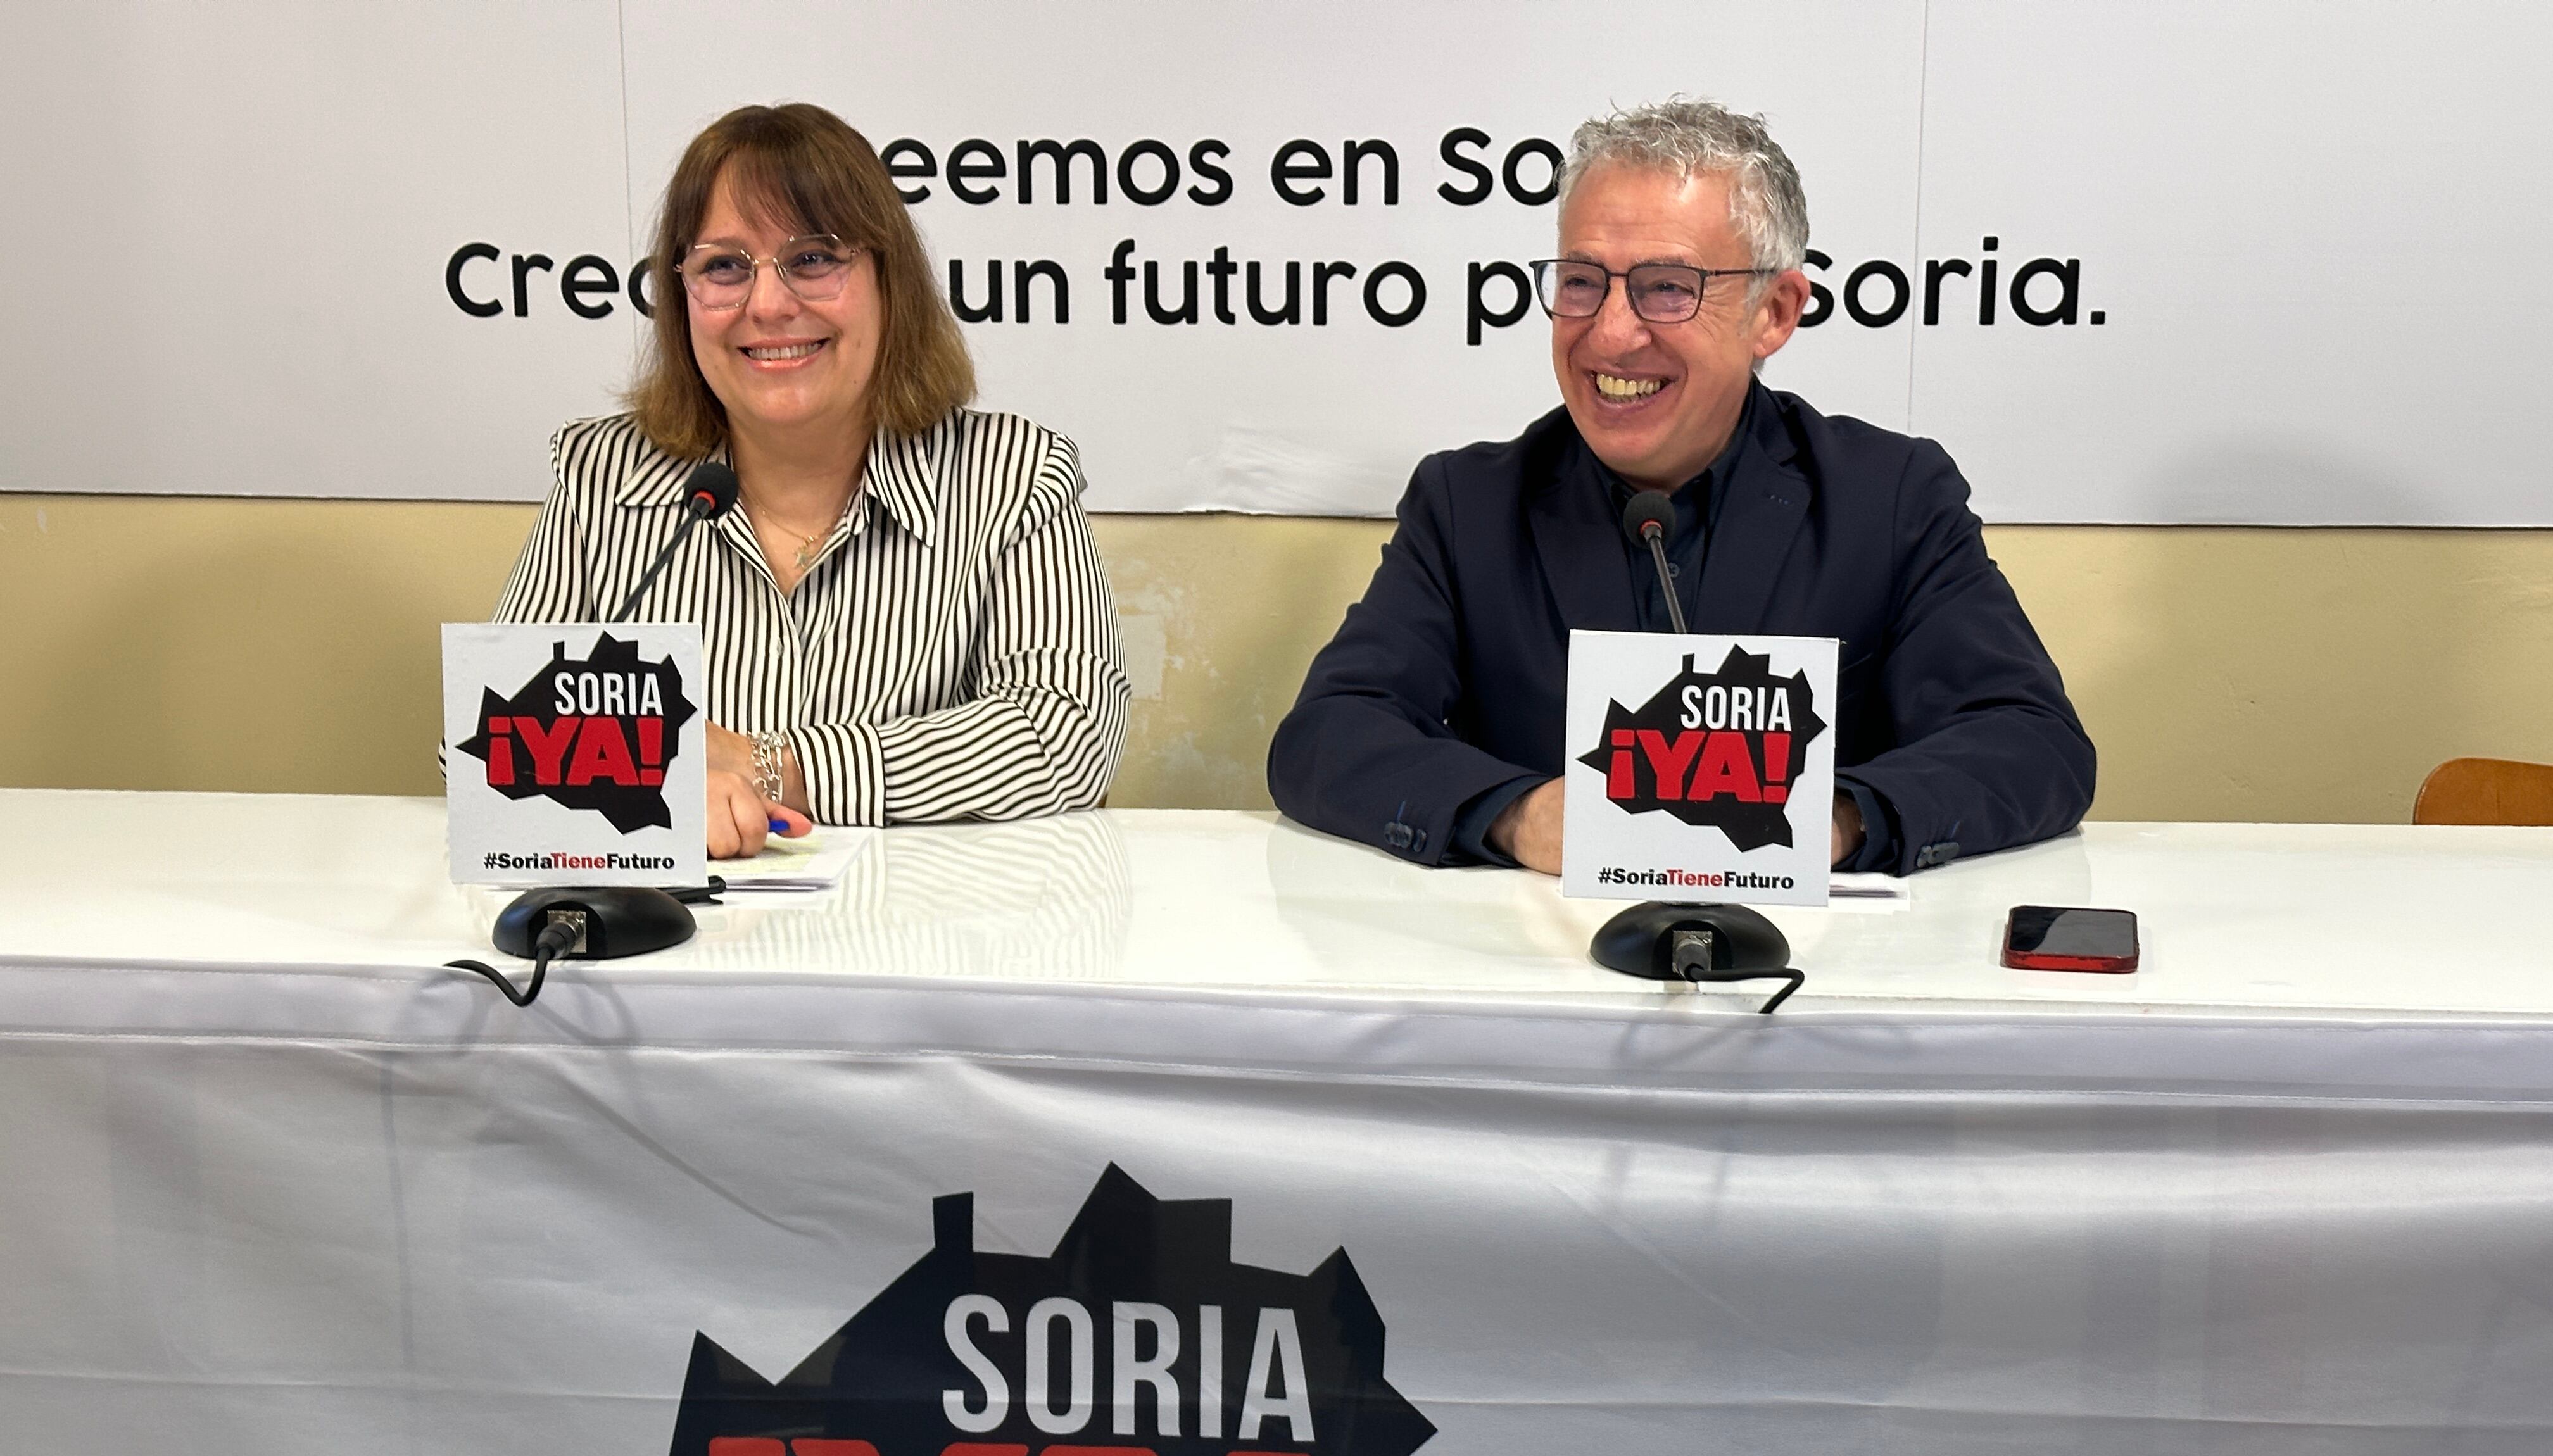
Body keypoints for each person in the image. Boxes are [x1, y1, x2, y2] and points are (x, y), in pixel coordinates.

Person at [1267, 100, 2094, 876]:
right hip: (1540, 981)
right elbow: (1330, 736)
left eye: (1667, 287)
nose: (1611, 334)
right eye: (1583, 281)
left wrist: (1830, 820)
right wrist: (1524, 816)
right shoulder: (1467, 504)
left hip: (1814, 985)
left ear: (1773, 312)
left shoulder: (1892, 499)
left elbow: (2032, 744)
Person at [495, 103, 1127, 857]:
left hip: (923, 948)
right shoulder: (604, 475)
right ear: (681, 297)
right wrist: (650, 776)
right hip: (674, 946)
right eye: (724, 267)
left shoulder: (1015, 476)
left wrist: (773, 769)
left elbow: (1066, 734)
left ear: (889, 279)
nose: (768, 304)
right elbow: (488, 733)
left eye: (814, 259)